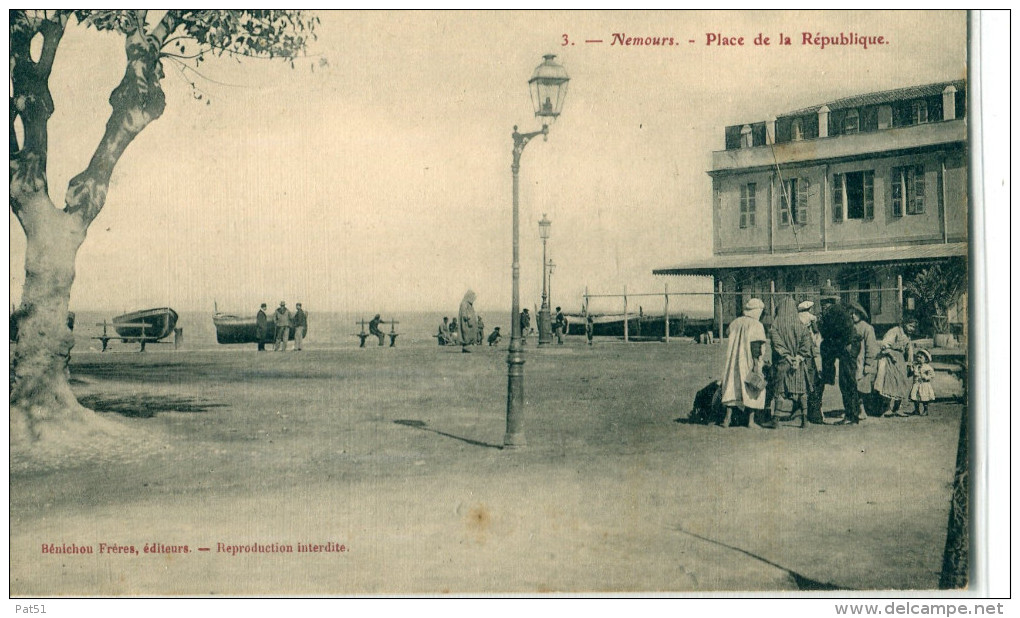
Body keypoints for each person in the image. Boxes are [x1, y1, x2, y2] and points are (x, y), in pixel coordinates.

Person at [718, 298, 770, 429]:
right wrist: (757, 364)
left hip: (734, 361)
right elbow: (756, 347)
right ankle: (750, 421)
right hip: (748, 360)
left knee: (731, 388)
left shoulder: (736, 322)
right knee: (753, 389)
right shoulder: (756, 325)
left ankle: (727, 419)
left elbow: (728, 332)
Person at [817, 285, 862, 425]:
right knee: (845, 382)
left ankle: (852, 416)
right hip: (843, 347)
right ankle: (852, 414)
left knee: (847, 381)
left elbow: (848, 327)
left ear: (829, 301)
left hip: (848, 347)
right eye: (823, 302)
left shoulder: (836, 310)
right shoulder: (829, 312)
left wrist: (848, 344)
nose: (823, 305)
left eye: (825, 302)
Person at [769, 297, 814, 428]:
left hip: (783, 362)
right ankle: (805, 420)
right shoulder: (800, 324)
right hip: (798, 363)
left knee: (780, 391)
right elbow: (806, 343)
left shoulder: (776, 325)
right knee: (801, 391)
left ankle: (775, 420)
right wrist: (798, 358)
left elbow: (776, 344)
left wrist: (787, 357)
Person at [874, 318, 916, 417]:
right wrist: (892, 356)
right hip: (891, 359)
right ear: (904, 324)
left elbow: (909, 349)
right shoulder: (894, 331)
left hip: (900, 359)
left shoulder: (907, 335)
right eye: (910, 326)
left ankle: (897, 408)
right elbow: (885, 344)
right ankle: (887, 408)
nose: (912, 329)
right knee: (890, 382)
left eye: (914, 327)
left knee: (902, 382)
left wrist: (910, 363)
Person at [850, 301, 879, 419]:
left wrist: (869, 364)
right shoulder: (849, 326)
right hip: (851, 361)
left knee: (861, 387)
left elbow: (871, 348)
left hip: (861, 362)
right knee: (851, 385)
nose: (853, 316)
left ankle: (862, 409)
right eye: (851, 313)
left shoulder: (867, 328)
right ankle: (853, 409)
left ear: (861, 314)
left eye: (856, 313)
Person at [798, 301, 824, 424]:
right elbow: (816, 331)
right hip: (810, 353)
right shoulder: (809, 317)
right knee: (812, 380)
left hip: (800, 353)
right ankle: (813, 412)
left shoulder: (797, 318)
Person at [909, 349, 936, 416]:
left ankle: (925, 410)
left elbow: (932, 375)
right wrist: (911, 368)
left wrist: (926, 377)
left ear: (926, 359)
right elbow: (912, 373)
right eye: (917, 357)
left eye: (920, 357)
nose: (918, 359)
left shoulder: (927, 367)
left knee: (924, 398)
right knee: (915, 397)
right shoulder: (916, 366)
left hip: (924, 384)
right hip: (916, 384)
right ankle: (916, 410)